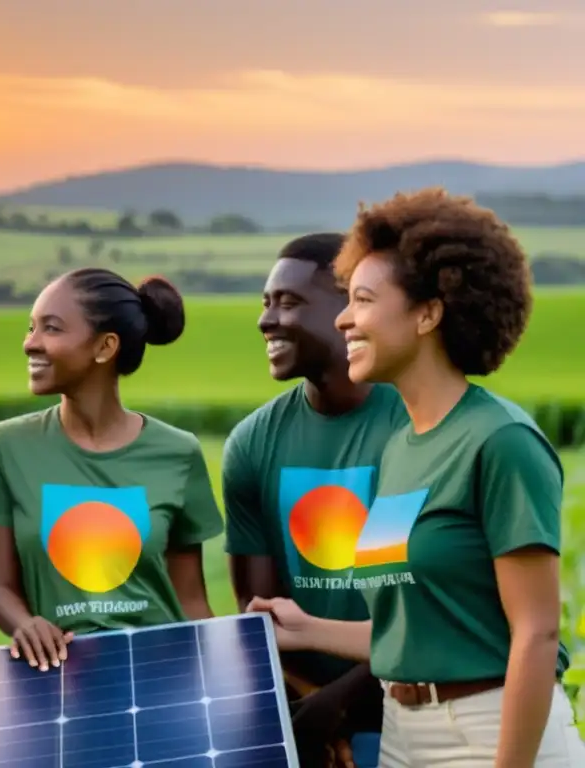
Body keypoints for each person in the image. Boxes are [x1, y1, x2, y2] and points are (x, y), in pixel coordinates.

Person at [248, 188, 585, 767]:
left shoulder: (500, 441)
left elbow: (535, 636)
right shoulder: (401, 446)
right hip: (403, 734)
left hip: (489, 732)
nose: (344, 318)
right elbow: (418, 631)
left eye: (363, 300)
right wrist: (307, 629)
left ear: (429, 312)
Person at [0, 268, 224, 670]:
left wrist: (221, 684)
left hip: (163, 672)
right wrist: (26, 623)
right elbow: (1, 589)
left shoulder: (178, 452)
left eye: (50, 329)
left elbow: (191, 600)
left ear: (105, 346)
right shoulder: (7, 447)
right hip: (62, 676)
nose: (30, 344)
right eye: (30, 328)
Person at [223, 233, 409, 768]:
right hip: (306, 717)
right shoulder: (252, 442)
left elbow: (424, 612)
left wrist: (343, 706)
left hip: (413, 702)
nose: (267, 320)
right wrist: (311, 713)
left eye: (289, 302)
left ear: (350, 308)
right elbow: (255, 616)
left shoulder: (411, 429)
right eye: (265, 303)